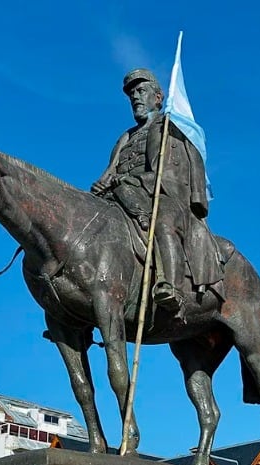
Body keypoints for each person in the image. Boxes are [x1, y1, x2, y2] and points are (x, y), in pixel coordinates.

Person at [91, 68, 221, 311]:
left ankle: (171, 286)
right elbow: (109, 172)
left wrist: (136, 181)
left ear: (158, 98)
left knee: (163, 219)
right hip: (123, 195)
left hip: (162, 196)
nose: (135, 98)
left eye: (141, 91)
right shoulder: (125, 138)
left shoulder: (172, 129)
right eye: (131, 95)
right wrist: (101, 184)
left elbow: (175, 175)